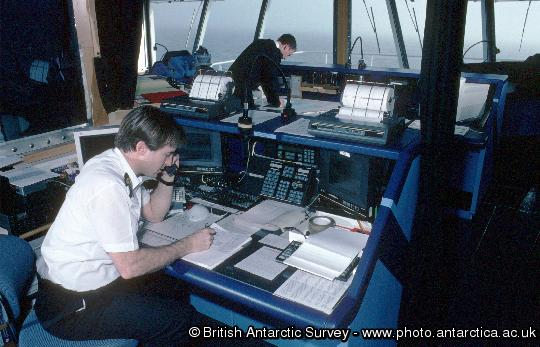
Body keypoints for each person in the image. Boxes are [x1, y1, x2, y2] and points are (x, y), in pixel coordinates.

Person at [35, 105, 216, 345]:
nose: (169, 160)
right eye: (166, 154)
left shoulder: (120, 166)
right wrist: (187, 245)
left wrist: (168, 175)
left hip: (94, 287)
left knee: (173, 289)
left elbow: (154, 214)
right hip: (71, 309)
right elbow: (130, 267)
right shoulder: (108, 185)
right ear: (141, 148)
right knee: (179, 320)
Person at [229, 33, 296, 108]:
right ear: (286, 47)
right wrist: (276, 101)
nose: (285, 58)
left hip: (230, 80)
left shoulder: (260, 43)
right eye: (289, 54)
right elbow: (269, 78)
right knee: (250, 112)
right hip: (242, 86)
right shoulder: (274, 53)